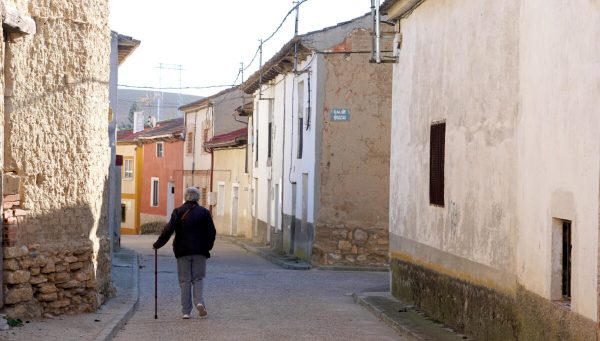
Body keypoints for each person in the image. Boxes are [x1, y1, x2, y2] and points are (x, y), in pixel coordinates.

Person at [153, 187, 216, 319]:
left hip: (182, 251)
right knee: (198, 278)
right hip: (200, 251)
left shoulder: (178, 211)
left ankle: (186, 311)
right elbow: (211, 232)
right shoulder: (204, 212)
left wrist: (158, 244)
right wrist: (207, 247)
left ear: (185, 197)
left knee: (185, 280)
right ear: (197, 198)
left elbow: (168, 230)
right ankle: (199, 302)